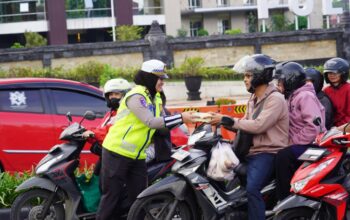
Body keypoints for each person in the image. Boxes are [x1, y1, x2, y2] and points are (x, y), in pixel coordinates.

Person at [96, 59, 196, 220]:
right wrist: (181, 118)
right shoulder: (136, 96)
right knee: (111, 198)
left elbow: (161, 125)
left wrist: (191, 118)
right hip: (116, 152)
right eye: (160, 78)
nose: (162, 82)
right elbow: (150, 121)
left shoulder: (155, 98)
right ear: (149, 77)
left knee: (141, 198)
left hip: (137, 155)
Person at [207, 54, 289, 220]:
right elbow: (244, 124)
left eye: (248, 76)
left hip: (268, 153)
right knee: (212, 168)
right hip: (251, 151)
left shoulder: (276, 99)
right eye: (244, 75)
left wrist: (227, 120)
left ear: (261, 76)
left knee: (252, 189)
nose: (244, 79)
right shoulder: (253, 98)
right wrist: (221, 121)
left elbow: (259, 126)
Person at [274, 62, 326, 201]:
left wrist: (291, 142)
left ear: (290, 80)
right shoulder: (291, 95)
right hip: (301, 144)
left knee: (283, 156)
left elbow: (313, 128)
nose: (278, 84)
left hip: (315, 146)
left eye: (280, 81)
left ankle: (284, 199)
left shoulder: (305, 96)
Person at [82, 78, 131, 175]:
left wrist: (93, 134)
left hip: (123, 153)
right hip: (111, 150)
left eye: (116, 94)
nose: (113, 97)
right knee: (97, 172)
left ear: (124, 95)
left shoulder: (126, 112)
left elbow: (112, 131)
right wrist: (86, 133)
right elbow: (101, 129)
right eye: (111, 95)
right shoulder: (111, 113)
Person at [323, 57, 350, 127]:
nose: (332, 75)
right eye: (329, 73)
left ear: (343, 73)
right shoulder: (326, 90)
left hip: (345, 128)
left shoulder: (348, 89)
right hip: (329, 127)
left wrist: (337, 128)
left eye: (335, 73)